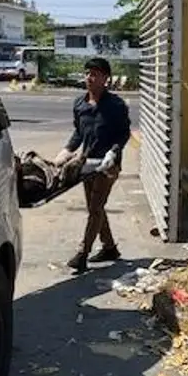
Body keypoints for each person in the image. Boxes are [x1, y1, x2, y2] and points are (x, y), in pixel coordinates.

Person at [55, 57, 133, 272]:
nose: (90, 78)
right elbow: (79, 133)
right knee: (94, 207)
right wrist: (65, 153)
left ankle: (83, 253)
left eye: (95, 74)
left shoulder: (116, 105)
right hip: (86, 163)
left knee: (96, 207)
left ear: (106, 78)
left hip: (108, 165)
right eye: (88, 73)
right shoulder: (79, 104)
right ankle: (109, 248)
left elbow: (124, 133)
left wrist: (114, 151)